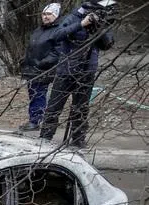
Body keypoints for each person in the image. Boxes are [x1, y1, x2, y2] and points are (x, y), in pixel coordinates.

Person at [39, 6, 112, 148]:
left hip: (87, 71)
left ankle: (78, 138)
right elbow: (57, 35)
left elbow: (107, 44)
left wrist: (99, 29)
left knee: (81, 108)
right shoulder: (73, 17)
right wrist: (81, 24)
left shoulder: (101, 20)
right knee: (54, 106)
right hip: (66, 70)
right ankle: (45, 137)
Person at [20, 4, 65, 131]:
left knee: (39, 94)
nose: (46, 17)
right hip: (32, 68)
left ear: (55, 16)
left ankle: (35, 121)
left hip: (44, 69)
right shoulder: (38, 30)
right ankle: (34, 119)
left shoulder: (58, 31)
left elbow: (57, 52)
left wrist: (43, 63)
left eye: (49, 14)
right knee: (33, 94)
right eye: (44, 14)